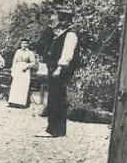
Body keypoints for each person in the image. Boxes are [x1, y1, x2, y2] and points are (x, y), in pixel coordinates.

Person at [38, 9, 80, 138]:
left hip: (60, 70)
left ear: (67, 20)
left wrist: (59, 68)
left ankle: (55, 130)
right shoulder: (63, 33)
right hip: (56, 69)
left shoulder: (70, 35)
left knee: (57, 98)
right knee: (55, 98)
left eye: (62, 19)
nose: (59, 22)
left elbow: (67, 54)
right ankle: (55, 129)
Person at [8, 39, 38, 109]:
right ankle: (13, 102)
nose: (24, 45)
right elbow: (14, 61)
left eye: (25, 43)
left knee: (23, 86)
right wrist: (13, 69)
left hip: (25, 70)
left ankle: (21, 103)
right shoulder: (18, 51)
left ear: (27, 44)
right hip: (17, 69)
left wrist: (27, 66)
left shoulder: (30, 53)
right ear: (20, 44)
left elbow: (33, 62)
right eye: (22, 43)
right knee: (15, 85)